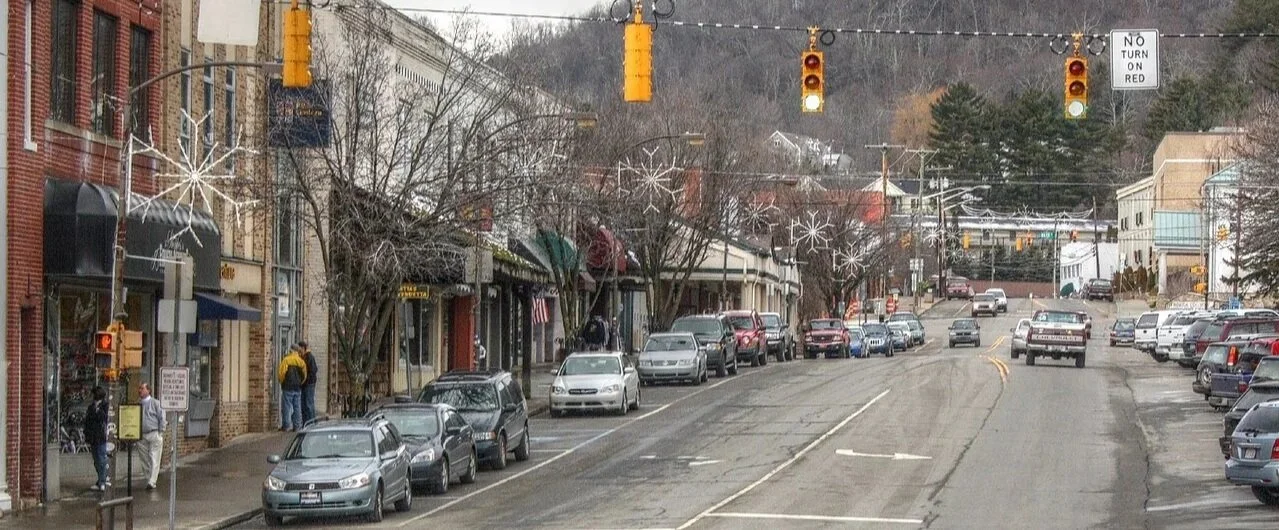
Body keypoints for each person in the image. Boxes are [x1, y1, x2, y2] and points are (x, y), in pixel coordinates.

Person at [138, 382, 166, 490]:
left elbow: (161, 417)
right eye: (139, 388)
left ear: (148, 390)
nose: (140, 390)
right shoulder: (138, 404)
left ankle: (152, 481)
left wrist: (161, 431)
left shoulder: (155, 403)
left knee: (154, 457)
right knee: (144, 459)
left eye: (142, 388)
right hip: (142, 434)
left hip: (154, 432)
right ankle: (148, 477)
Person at [85, 386, 110, 491]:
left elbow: (104, 418)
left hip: (101, 436)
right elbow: (88, 421)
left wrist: (98, 409)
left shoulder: (105, 406)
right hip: (93, 436)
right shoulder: (91, 407)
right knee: (96, 460)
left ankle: (103, 481)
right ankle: (100, 479)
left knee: (101, 459)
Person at [277, 346, 308, 432]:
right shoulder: (301, 362)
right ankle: (297, 426)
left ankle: (286, 426)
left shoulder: (286, 360)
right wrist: (300, 383)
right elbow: (304, 375)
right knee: (297, 407)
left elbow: (281, 373)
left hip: (287, 387)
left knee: (287, 407)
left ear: (291, 350)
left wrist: (282, 381)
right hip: (297, 387)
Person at [299, 341, 318, 426]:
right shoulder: (304, 357)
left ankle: (311, 422)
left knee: (308, 403)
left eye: (300, 349)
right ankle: (307, 423)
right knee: (305, 404)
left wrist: (306, 379)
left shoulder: (309, 357)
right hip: (305, 384)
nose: (299, 351)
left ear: (304, 348)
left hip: (309, 384)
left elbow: (313, 370)